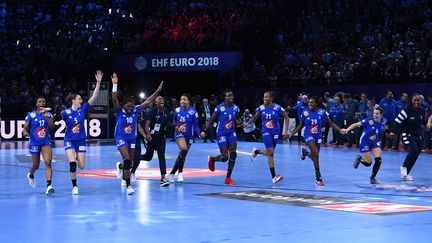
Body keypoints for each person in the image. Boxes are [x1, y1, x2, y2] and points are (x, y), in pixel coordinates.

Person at [112, 74, 163, 194]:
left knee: (131, 162)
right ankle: (128, 185)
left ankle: (120, 167)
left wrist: (158, 90)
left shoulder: (136, 110)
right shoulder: (119, 111)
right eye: (128, 107)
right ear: (123, 106)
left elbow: (149, 100)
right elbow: (114, 98)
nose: (130, 109)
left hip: (132, 139)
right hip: (121, 138)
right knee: (128, 160)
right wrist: (115, 84)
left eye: (132, 106)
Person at [61, 70, 102, 195]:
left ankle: (78, 157)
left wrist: (98, 82)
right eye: (79, 99)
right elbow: (54, 122)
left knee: (82, 166)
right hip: (69, 140)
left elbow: (94, 97)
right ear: (73, 100)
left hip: (81, 140)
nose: (81, 100)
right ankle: (75, 186)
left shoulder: (83, 110)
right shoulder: (65, 112)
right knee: (73, 164)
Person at [288, 96, 342, 186]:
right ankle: (318, 178)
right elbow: (300, 125)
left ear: (316, 104)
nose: (310, 104)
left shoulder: (322, 112)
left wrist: (340, 130)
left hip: (318, 135)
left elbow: (331, 123)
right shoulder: (305, 112)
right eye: (309, 103)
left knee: (315, 156)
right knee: (316, 154)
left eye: (312, 102)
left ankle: (305, 153)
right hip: (308, 135)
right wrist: (292, 133)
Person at [245, 91, 289, 183]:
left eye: (266, 97)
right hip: (266, 131)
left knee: (270, 153)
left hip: (275, 132)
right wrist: (248, 123)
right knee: (271, 152)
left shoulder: (277, 107)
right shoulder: (261, 107)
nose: (264, 98)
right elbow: (255, 117)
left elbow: (286, 117)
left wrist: (285, 131)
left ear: (271, 98)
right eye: (264, 97)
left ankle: (256, 151)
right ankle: (274, 177)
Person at [131, 96, 170, 187]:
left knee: (161, 155)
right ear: (155, 102)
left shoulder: (166, 111)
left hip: (160, 137)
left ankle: (163, 178)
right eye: (159, 99)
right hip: (151, 137)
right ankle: (129, 162)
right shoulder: (151, 111)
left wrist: (175, 126)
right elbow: (146, 125)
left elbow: (167, 122)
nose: (162, 99)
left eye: (162, 98)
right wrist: (147, 135)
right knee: (148, 157)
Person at [206, 90, 242, 185]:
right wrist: (205, 130)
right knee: (225, 158)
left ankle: (228, 177)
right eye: (228, 96)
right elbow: (211, 119)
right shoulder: (219, 108)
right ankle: (213, 159)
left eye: (232, 95)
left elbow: (237, 118)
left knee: (233, 154)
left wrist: (241, 123)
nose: (231, 97)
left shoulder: (236, 108)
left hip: (231, 133)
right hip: (221, 133)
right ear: (225, 98)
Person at [341, 107, 386, 184]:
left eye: (377, 113)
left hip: (374, 142)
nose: (375, 115)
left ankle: (372, 178)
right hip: (365, 142)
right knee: (368, 163)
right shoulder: (369, 120)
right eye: (374, 113)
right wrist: (347, 129)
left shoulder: (384, 121)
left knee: (379, 160)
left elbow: (383, 128)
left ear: (381, 114)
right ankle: (359, 159)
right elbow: (355, 124)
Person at [168, 94, 206, 183]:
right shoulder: (177, 110)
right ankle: (179, 173)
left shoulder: (193, 112)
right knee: (183, 150)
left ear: (188, 101)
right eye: (181, 99)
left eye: (184, 99)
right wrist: (176, 127)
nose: (182, 101)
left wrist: (200, 134)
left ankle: (173, 173)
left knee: (182, 155)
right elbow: (174, 121)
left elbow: (196, 126)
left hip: (189, 135)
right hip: (179, 134)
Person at [23, 96, 55, 195]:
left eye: (43, 102)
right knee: (36, 165)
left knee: (48, 163)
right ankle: (31, 175)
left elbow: (52, 126)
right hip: (34, 142)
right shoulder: (31, 115)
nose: (41, 103)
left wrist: (45, 116)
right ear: (36, 104)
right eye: (39, 102)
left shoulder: (48, 114)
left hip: (46, 142)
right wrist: (25, 132)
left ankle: (49, 185)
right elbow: (25, 128)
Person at [392, 94, 425, 181]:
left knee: (416, 153)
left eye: (418, 100)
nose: (416, 102)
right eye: (415, 100)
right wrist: (396, 133)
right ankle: (403, 167)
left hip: (417, 135)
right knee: (413, 150)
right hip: (407, 134)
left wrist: (427, 125)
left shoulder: (421, 110)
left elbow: (422, 123)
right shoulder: (406, 111)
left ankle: (406, 174)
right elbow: (397, 122)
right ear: (411, 101)